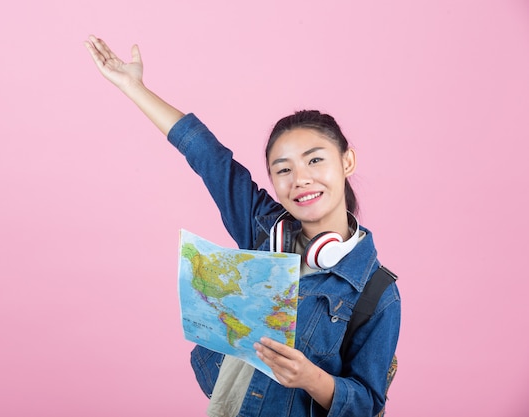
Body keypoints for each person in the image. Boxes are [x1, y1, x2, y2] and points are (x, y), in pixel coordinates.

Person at [84, 35, 400, 417]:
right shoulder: (263, 229)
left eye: (315, 161)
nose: (300, 179)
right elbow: (208, 157)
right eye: (283, 169)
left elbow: (367, 404)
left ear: (347, 162)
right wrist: (134, 88)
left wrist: (310, 377)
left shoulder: (377, 293)